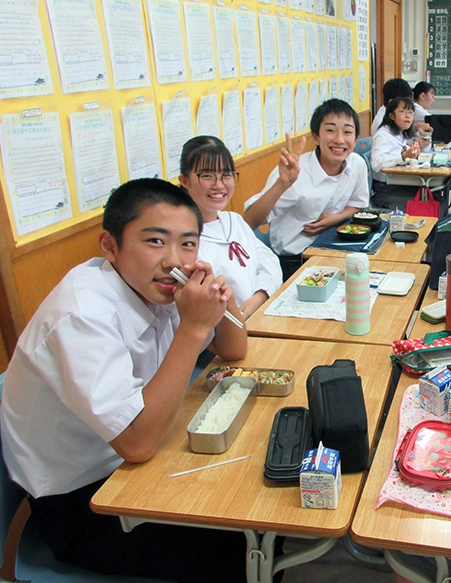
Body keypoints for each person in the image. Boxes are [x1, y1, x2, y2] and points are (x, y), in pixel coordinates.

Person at [0, 178, 250, 582]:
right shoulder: (82, 315)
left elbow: (235, 350)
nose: (173, 259)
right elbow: (135, 443)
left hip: (136, 465)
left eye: (188, 243)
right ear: (109, 245)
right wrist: (191, 330)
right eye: (154, 241)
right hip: (85, 503)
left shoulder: (156, 286)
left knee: (247, 489)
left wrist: (223, 296)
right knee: (240, 540)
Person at [243, 99, 370, 281]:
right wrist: (282, 184)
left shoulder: (356, 164)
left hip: (335, 250)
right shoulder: (295, 172)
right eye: (330, 130)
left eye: (347, 132)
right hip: (294, 262)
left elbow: (356, 204)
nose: (339, 139)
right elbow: (248, 222)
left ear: (355, 139)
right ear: (316, 137)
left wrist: (337, 218)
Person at [179, 135, 281, 319]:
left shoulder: (234, 220)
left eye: (226, 175)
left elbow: (269, 262)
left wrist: (258, 297)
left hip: (259, 313)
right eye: (207, 176)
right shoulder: (185, 240)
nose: (218, 185)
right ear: (185, 181)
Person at [371, 97, 421, 210]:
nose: (408, 116)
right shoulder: (383, 135)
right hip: (386, 189)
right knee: (431, 201)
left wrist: (413, 150)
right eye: (402, 112)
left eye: (411, 112)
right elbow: (377, 163)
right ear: (391, 116)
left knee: (436, 196)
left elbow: (400, 149)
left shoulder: (400, 133)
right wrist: (403, 156)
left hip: (399, 183)